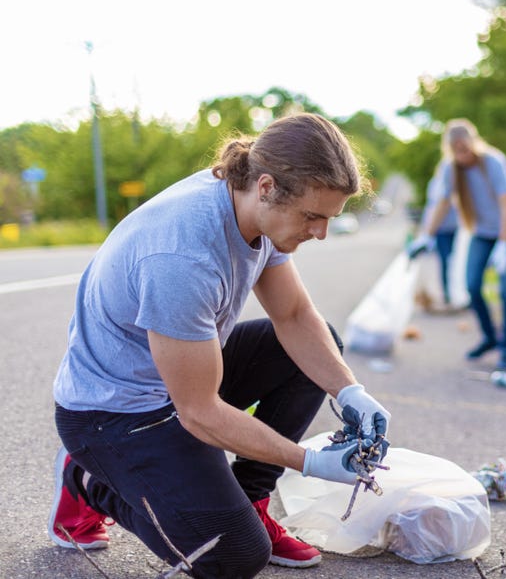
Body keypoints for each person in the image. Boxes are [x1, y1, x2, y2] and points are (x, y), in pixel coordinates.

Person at [48, 113, 392, 578]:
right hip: (113, 415)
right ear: (267, 186)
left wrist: (350, 392)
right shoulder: (180, 256)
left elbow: (293, 316)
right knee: (231, 557)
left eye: (329, 218)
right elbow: (200, 412)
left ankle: (249, 501)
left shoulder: (255, 204)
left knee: (317, 346)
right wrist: (311, 462)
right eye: (312, 217)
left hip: (178, 380)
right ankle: (87, 479)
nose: (320, 233)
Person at [409, 118, 506, 371]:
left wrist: (505, 243)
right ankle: (490, 338)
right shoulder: (450, 168)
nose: (461, 155)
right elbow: (442, 203)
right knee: (472, 286)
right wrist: (426, 236)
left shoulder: (493, 162)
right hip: (483, 232)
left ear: (473, 143)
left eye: (464, 148)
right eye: (456, 151)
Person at [418, 169, 459, 306]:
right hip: (439, 229)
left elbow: (443, 204)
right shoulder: (435, 183)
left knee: (451, 261)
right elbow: (432, 207)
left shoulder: (455, 181)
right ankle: (448, 294)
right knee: (445, 261)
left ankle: (453, 293)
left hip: (452, 226)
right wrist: (427, 230)